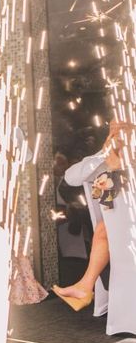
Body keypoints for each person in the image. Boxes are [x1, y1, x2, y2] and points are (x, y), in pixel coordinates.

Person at [52, 122, 131, 311]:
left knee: (105, 228)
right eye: (113, 128)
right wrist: (106, 158)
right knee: (105, 227)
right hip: (121, 224)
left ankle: (84, 288)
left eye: (121, 128)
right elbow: (71, 178)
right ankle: (84, 287)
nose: (115, 132)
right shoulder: (108, 156)